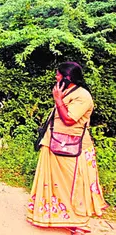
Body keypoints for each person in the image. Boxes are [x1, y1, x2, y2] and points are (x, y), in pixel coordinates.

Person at [27, 62, 108, 234]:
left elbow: (69, 119)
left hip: (74, 148)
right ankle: (57, 217)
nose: (55, 78)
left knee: (74, 185)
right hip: (55, 143)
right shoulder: (68, 92)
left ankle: (79, 223)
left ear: (68, 77)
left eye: (58, 75)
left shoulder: (83, 96)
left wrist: (57, 100)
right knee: (56, 184)